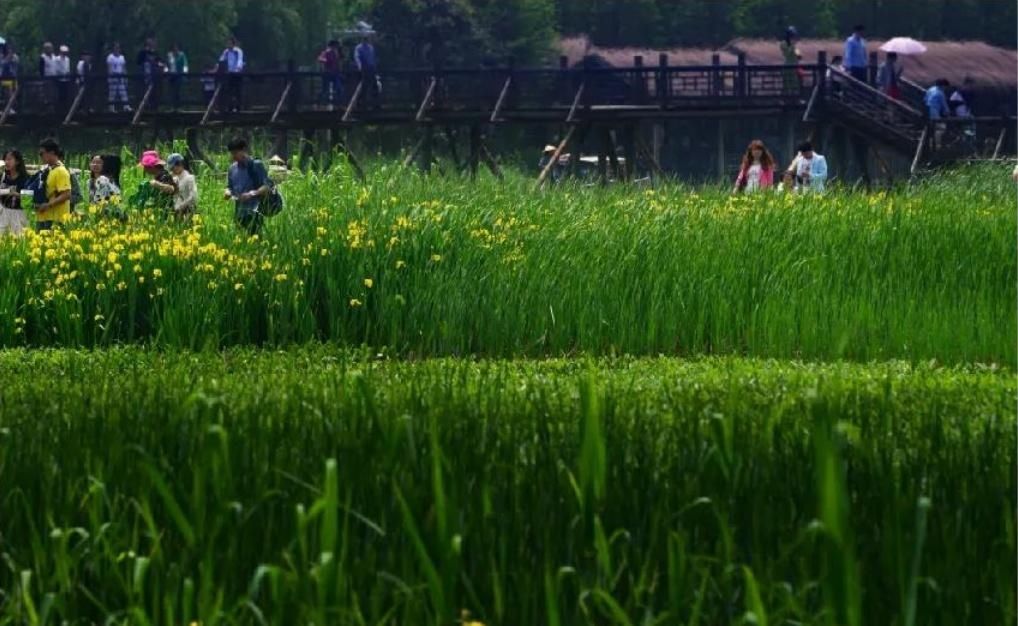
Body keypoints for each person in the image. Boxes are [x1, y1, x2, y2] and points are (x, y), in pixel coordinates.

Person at [224, 137, 271, 235]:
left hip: (254, 212)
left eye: (236, 152)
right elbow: (229, 187)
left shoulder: (256, 165)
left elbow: (267, 187)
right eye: (232, 153)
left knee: (255, 241)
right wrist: (227, 192)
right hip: (239, 214)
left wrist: (251, 194)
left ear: (244, 150)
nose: (234, 156)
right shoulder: (232, 169)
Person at [34, 138, 72, 231]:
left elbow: (66, 194)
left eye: (42, 153)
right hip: (43, 216)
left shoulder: (61, 171)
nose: (40, 156)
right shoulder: (48, 169)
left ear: (51, 153)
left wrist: (48, 205)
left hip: (55, 218)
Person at [130, 150, 176, 216]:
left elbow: (172, 189)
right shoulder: (156, 177)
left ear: (152, 167)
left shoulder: (165, 176)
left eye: (146, 167)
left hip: (168, 212)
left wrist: (157, 184)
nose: (145, 169)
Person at [0, 150, 31, 235]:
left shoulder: (25, 179)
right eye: (5, 159)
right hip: (4, 213)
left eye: (9, 159)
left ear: (17, 161)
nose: (6, 162)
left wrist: (15, 194)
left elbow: (28, 201)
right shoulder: (3, 177)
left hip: (19, 214)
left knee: (18, 241)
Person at [166, 153, 197, 220]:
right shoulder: (174, 179)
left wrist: (181, 206)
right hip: (177, 212)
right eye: (171, 168)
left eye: (173, 167)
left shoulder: (189, 178)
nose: (172, 170)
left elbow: (193, 197)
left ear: (180, 165)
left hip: (188, 212)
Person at [219, 37, 245, 112]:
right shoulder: (226, 52)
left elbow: (240, 60)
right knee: (229, 91)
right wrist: (219, 66)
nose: (228, 45)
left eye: (230, 43)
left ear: (233, 44)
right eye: (227, 43)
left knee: (238, 90)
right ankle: (230, 106)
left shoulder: (238, 51)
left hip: (237, 73)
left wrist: (238, 68)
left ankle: (238, 107)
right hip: (229, 73)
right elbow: (221, 59)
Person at [137, 37, 163, 110]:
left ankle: (154, 106)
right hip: (145, 76)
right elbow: (138, 62)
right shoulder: (142, 52)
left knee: (155, 93)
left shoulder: (156, 53)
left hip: (154, 77)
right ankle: (145, 106)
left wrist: (161, 65)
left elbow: (159, 61)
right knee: (145, 92)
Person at [925, 78, 950, 146]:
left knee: (930, 130)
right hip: (934, 112)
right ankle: (937, 145)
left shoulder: (930, 89)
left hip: (926, 111)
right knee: (941, 128)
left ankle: (930, 144)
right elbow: (944, 106)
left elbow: (925, 99)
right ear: (943, 86)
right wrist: (948, 113)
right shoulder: (940, 93)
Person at [355, 34, 378, 106]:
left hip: (371, 68)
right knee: (364, 85)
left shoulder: (370, 47)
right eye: (364, 39)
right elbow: (357, 57)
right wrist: (360, 66)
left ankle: (375, 102)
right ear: (362, 40)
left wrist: (375, 66)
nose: (365, 40)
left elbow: (373, 58)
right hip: (364, 68)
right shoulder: (359, 48)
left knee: (375, 85)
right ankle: (360, 102)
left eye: (366, 39)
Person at [106, 43, 131, 112]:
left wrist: (125, 77)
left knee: (123, 92)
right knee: (112, 93)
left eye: (118, 48)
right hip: (113, 77)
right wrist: (110, 77)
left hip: (120, 77)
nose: (117, 49)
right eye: (116, 48)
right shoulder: (110, 57)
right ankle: (111, 108)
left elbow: (123, 68)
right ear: (113, 49)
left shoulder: (122, 57)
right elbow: (109, 68)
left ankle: (126, 106)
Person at [318, 39, 343, 104]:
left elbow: (337, 62)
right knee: (325, 89)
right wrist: (326, 60)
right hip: (327, 73)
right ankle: (322, 101)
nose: (337, 46)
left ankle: (337, 102)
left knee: (338, 87)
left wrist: (339, 69)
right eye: (336, 45)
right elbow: (320, 58)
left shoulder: (336, 52)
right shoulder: (327, 52)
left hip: (335, 73)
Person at [779, 26, 803, 95]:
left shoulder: (794, 44)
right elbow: (787, 54)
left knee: (795, 85)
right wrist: (792, 45)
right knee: (786, 86)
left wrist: (799, 54)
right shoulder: (783, 43)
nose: (794, 37)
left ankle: (795, 99)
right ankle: (784, 100)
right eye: (792, 36)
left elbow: (798, 55)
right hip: (787, 67)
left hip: (795, 67)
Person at [166, 43, 189, 109]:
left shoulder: (181, 55)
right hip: (171, 75)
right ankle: (171, 106)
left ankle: (178, 106)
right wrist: (166, 71)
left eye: (176, 47)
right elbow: (167, 64)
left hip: (178, 75)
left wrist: (185, 71)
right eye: (173, 47)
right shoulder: (169, 55)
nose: (175, 49)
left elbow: (185, 63)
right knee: (171, 90)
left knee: (177, 90)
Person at [0, 44, 20, 114]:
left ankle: (13, 108)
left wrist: (12, 57)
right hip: (5, 78)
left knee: (14, 93)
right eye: (8, 48)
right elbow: (3, 64)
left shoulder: (15, 57)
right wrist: (8, 57)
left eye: (10, 48)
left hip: (13, 77)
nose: (9, 50)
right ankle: (7, 109)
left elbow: (16, 64)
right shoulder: (2, 56)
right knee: (8, 93)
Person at [55, 44, 72, 109]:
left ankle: (65, 107)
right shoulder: (57, 59)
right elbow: (57, 68)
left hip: (66, 79)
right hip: (59, 79)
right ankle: (59, 107)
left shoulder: (67, 59)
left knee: (66, 94)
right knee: (60, 94)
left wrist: (68, 73)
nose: (65, 54)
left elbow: (67, 68)